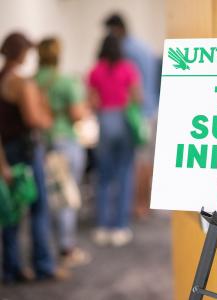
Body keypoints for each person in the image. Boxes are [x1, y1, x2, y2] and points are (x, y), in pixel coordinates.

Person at [0, 32, 66, 283]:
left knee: (12, 210)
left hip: (8, 150)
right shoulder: (19, 82)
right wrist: (48, 118)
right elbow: (33, 119)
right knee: (38, 207)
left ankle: (11, 268)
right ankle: (43, 265)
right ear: (22, 53)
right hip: (26, 149)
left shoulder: (3, 78)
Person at [35, 37, 91, 267]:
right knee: (66, 195)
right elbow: (77, 114)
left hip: (40, 141)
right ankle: (67, 248)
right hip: (64, 140)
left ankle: (44, 248)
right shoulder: (66, 81)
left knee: (45, 198)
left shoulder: (32, 81)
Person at [88, 34, 142, 247]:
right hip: (124, 121)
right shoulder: (128, 68)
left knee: (103, 177)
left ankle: (102, 226)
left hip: (104, 122)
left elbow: (91, 99)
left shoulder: (95, 70)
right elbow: (138, 97)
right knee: (124, 176)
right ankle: (119, 227)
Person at [104, 13, 159, 218]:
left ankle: (139, 205)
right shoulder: (144, 47)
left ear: (116, 29)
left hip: (135, 113)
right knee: (147, 160)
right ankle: (144, 204)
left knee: (138, 161)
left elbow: (130, 88)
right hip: (152, 109)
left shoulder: (125, 50)